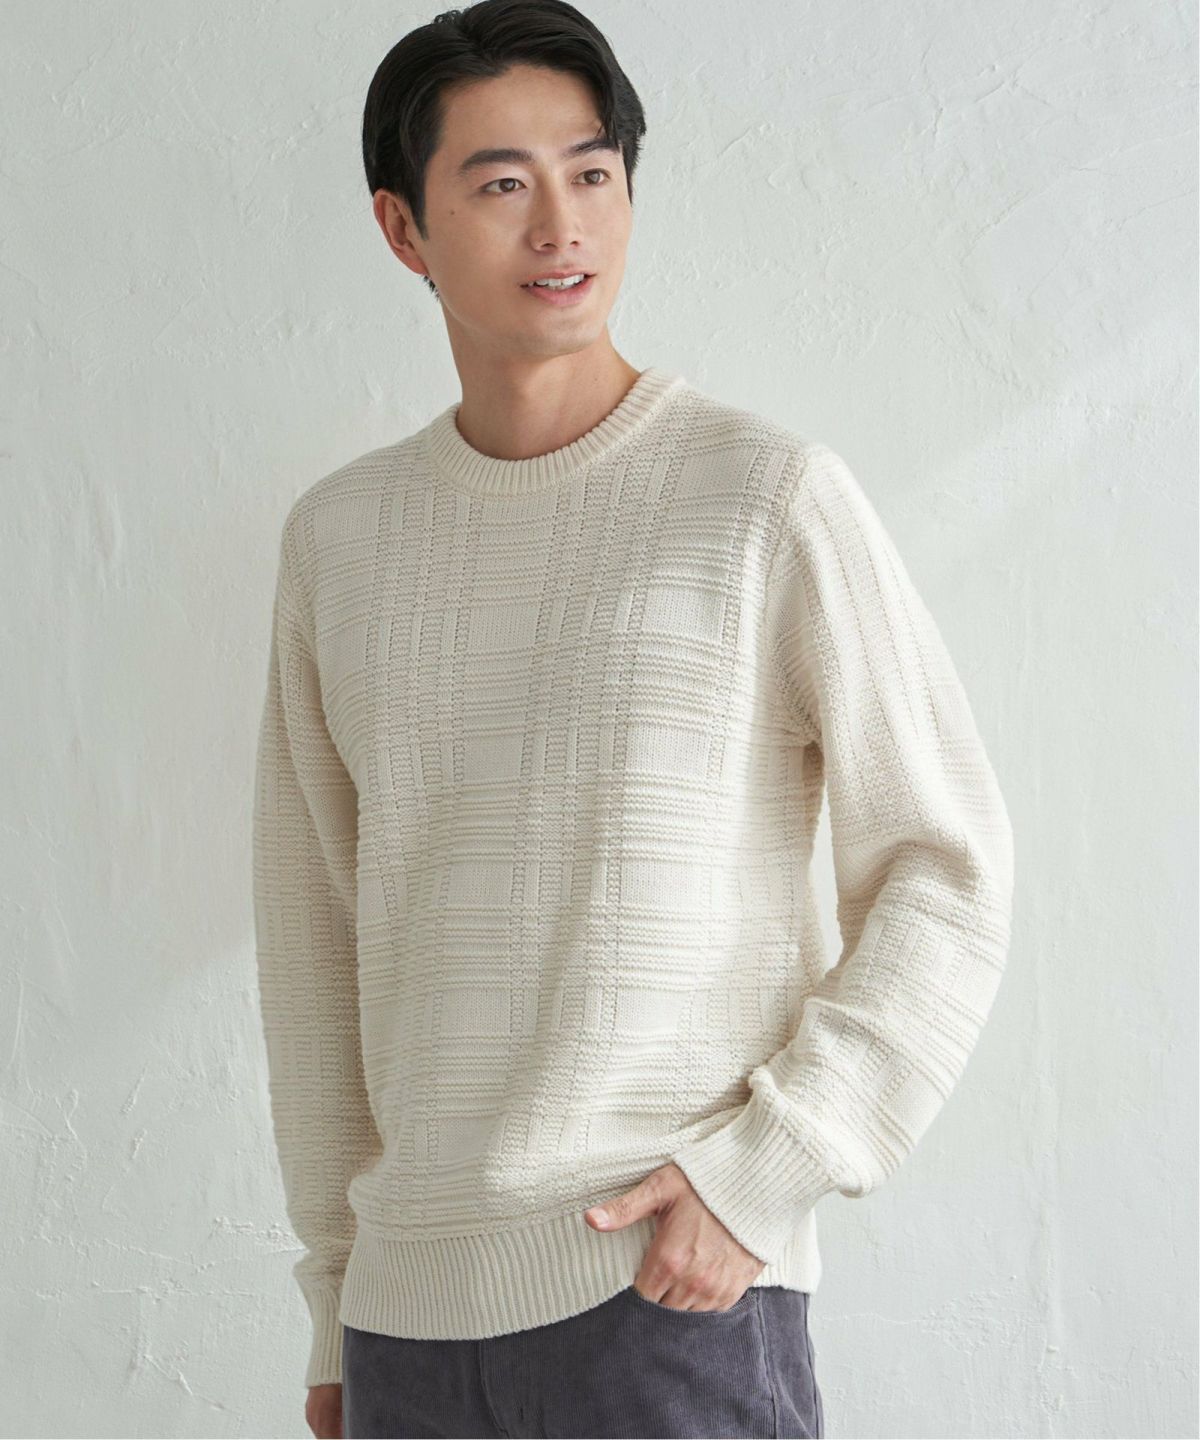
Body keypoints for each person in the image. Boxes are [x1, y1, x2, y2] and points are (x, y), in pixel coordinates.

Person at [250, 2, 1015, 1436]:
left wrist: (767, 1170)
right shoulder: (339, 543)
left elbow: (945, 867)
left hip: (667, 1299)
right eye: (501, 182)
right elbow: (314, 947)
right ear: (403, 229)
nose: (562, 225)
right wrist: (335, 1302)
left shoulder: (761, 497)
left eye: (593, 173)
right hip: (406, 1328)